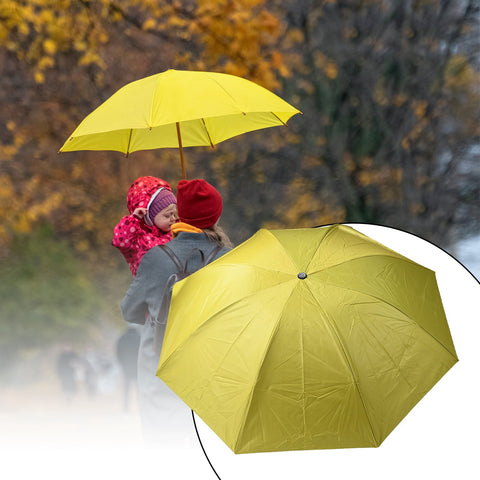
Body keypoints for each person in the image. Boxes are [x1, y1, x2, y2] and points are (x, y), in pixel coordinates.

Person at [121, 178, 232, 442]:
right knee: (206, 443)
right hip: (213, 367)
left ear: (181, 213)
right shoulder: (230, 256)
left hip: (162, 370)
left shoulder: (157, 257)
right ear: (216, 214)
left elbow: (130, 311)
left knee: (166, 447)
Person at [112, 175, 178, 277]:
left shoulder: (176, 231)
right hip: (151, 289)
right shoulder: (138, 239)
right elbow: (120, 241)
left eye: (174, 214)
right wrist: (134, 219)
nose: (173, 218)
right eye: (167, 215)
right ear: (149, 216)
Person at [116, 326, 141, 411]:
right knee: (139, 389)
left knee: (126, 388)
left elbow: (118, 353)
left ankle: (126, 407)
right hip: (137, 367)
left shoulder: (122, 339)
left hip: (126, 367)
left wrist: (122, 364)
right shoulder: (139, 338)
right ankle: (140, 406)